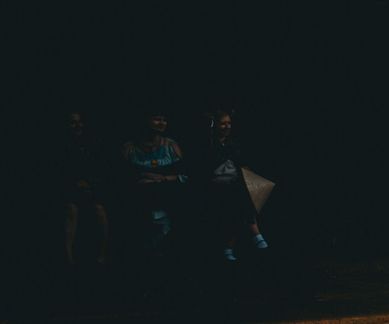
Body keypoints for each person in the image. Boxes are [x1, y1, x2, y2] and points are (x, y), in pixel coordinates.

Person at [188, 110, 266, 261]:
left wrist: (245, 170)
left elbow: (240, 163)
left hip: (234, 184)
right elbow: (199, 171)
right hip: (213, 186)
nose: (227, 126)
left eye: (229, 123)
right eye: (223, 123)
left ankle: (230, 248)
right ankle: (255, 236)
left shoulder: (233, 143)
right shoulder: (206, 145)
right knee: (238, 198)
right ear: (214, 125)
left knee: (240, 199)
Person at [121, 112, 185, 253]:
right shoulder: (130, 148)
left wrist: (161, 179)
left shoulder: (171, 146)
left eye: (164, 120)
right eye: (157, 119)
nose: (162, 123)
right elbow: (122, 176)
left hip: (167, 197)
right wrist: (144, 174)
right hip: (140, 201)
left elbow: (184, 174)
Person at [56, 110, 109, 267]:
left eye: (80, 122)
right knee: (71, 209)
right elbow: (58, 172)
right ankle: (68, 256)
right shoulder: (61, 146)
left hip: (92, 187)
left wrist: (90, 185)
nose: (78, 126)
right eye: (73, 122)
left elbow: (101, 168)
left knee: (99, 210)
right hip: (70, 188)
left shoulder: (93, 143)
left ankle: (102, 255)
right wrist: (73, 183)